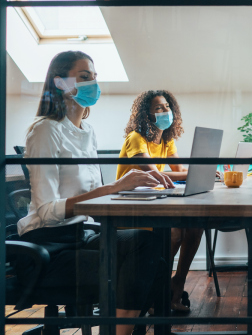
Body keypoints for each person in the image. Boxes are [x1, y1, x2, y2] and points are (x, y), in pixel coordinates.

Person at [17, 51, 168, 335]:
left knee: (152, 248)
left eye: (94, 77)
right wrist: (115, 187)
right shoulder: (45, 131)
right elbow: (47, 212)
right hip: (49, 247)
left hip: (80, 234)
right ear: (60, 83)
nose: (93, 84)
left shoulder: (87, 131)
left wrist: (128, 189)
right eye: (85, 77)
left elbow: (94, 194)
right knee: (139, 259)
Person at [116, 90, 201, 313]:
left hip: (154, 202)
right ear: (147, 114)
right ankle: (155, 291)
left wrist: (198, 172)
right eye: (158, 108)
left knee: (195, 226)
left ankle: (177, 284)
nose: (165, 111)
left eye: (167, 106)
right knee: (173, 233)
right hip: (130, 208)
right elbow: (154, 174)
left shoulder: (166, 140)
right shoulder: (135, 138)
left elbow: (179, 171)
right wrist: (198, 172)